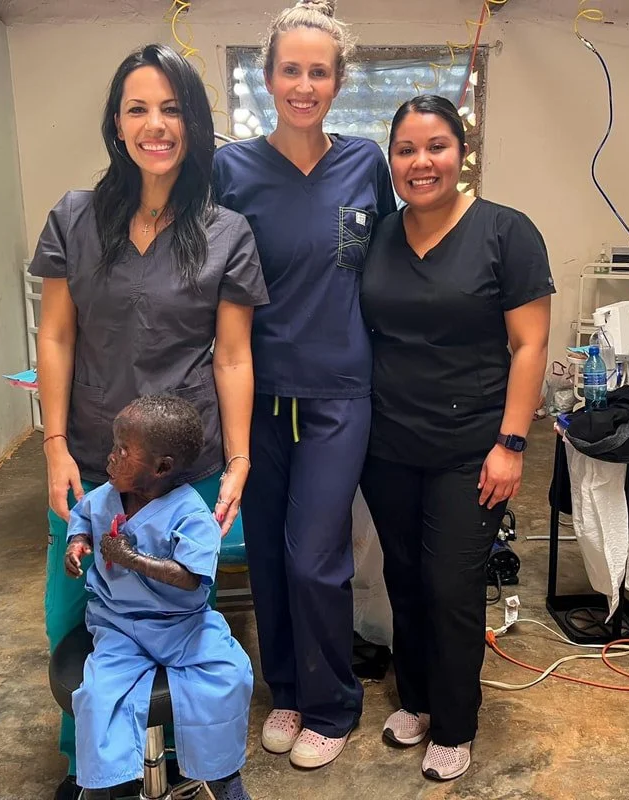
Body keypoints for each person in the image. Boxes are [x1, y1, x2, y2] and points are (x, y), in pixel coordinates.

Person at [29, 44, 268, 799]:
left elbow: (233, 356)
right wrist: (54, 444)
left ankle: (197, 761)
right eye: (137, 108)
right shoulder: (74, 217)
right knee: (75, 616)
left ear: (193, 123)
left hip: (183, 468)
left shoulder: (226, 230)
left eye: (171, 109)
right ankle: (91, 765)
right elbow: (55, 336)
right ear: (115, 122)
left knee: (181, 619)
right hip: (91, 456)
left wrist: (238, 460)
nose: (154, 125)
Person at [211, 0, 397, 770]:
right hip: (255, 394)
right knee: (268, 553)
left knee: (315, 555)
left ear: (338, 82)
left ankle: (331, 704)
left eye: (318, 72)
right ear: (266, 77)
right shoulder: (230, 171)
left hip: (338, 393)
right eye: (290, 69)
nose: (303, 84)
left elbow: (390, 268)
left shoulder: (364, 164)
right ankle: (286, 690)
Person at [359, 95, 553, 782]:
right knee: (404, 577)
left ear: (461, 153)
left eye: (436, 146)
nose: (421, 162)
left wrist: (512, 443)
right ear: (391, 160)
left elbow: (529, 346)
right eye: (406, 149)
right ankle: (415, 700)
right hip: (387, 444)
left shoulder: (506, 232)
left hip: (471, 447)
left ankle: (455, 721)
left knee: (450, 584)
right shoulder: (381, 236)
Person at [64, 396, 254, 800]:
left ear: (162, 468)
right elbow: (82, 517)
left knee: (230, 676)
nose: (110, 457)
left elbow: (190, 577)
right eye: (114, 445)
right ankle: (109, 785)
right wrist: (77, 543)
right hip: (119, 625)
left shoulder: (191, 515)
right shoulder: (106, 496)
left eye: (123, 451)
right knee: (98, 695)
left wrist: (134, 560)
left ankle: (221, 774)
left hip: (183, 626)